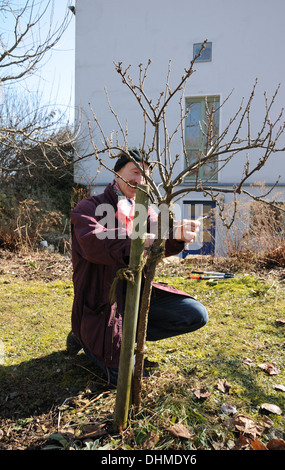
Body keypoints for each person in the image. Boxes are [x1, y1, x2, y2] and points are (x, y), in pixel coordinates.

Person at [68, 147, 208, 385]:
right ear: (117, 173)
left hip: (137, 292)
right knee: (127, 378)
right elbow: (95, 244)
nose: (139, 180)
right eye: (134, 171)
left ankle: (126, 336)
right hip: (103, 301)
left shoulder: (145, 212)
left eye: (145, 175)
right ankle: (84, 336)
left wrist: (176, 235)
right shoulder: (88, 208)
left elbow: (162, 240)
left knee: (195, 314)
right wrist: (147, 239)